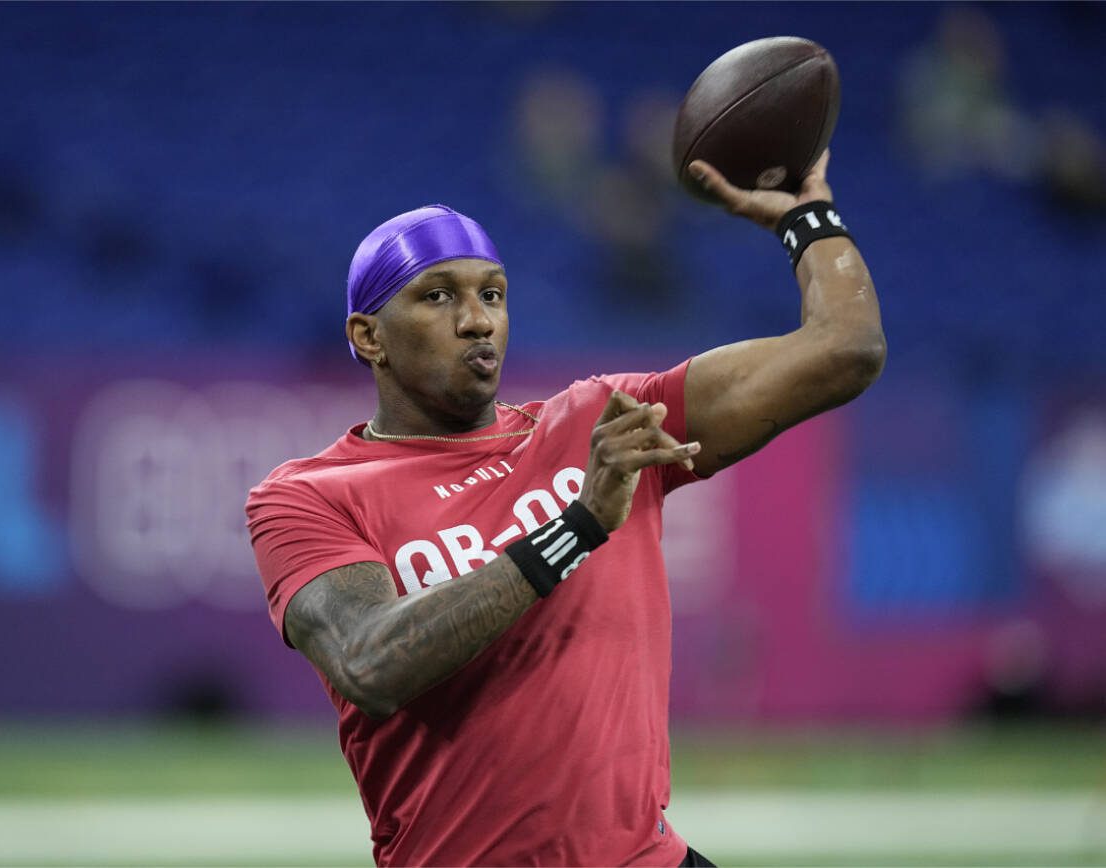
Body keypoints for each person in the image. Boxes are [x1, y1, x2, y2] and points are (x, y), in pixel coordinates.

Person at [245, 151, 885, 867]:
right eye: (438, 296)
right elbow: (369, 665)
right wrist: (575, 528)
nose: (477, 321)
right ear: (368, 338)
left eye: (493, 294)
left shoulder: (599, 422)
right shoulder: (307, 495)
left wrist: (809, 218)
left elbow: (844, 350)